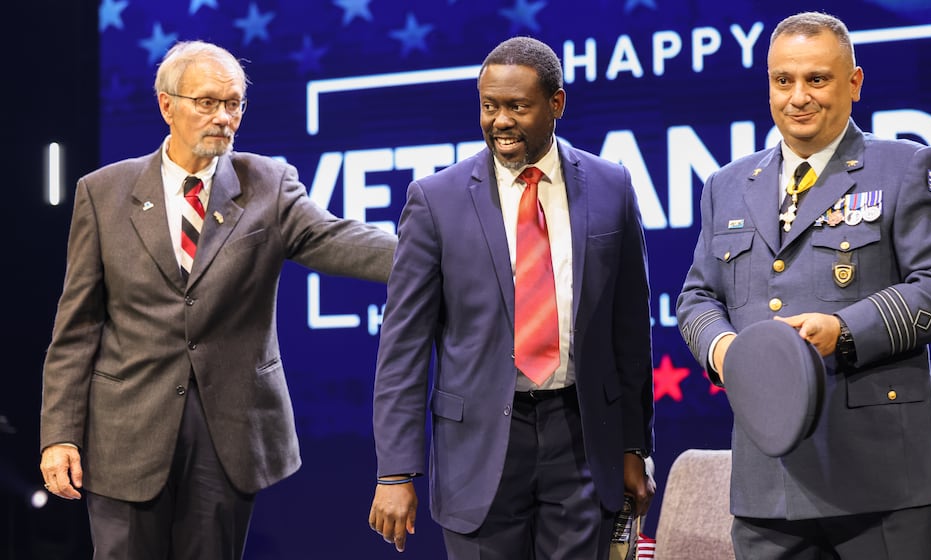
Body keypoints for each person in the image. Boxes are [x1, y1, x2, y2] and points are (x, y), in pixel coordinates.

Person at [38, 40, 396, 559]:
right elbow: (76, 328)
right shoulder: (103, 192)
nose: (223, 117)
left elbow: (338, 240)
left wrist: (442, 255)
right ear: (167, 105)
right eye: (207, 102)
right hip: (125, 431)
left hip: (225, 434)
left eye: (233, 104)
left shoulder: (267, 183)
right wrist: (59, 435)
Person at [676, 11, 931, 560]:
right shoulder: (727, 185)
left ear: (854, 83)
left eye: (817, 79)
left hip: (879, 479)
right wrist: (725, 350)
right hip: (768, 482)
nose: (798, 97)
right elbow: (698, 297)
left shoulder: (906, 167)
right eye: (782, 80)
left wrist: (842, 328)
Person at [368, 36, 655, 559]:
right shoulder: (436, 200)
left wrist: (635, 447)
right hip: (478, 450)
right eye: (489, 106)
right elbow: (402, 349)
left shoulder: (612, 187)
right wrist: (394, 470)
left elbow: (630, 333)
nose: (501, 121)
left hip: (583, 438)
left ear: (556, 104)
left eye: (518, 107)